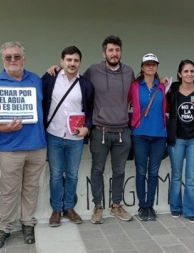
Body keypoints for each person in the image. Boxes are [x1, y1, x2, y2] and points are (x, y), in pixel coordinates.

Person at [0, 41, 47, 248]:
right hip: (10, 146)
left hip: (37, 145)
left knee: (31, 188)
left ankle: (28, 223)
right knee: (9, 190)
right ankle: (4, 227)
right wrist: (0, 128)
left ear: (23, 58)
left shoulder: (36, 79)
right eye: (8, 57)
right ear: (3, 60)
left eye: (16, 56)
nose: (13, 60)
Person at [42, 46, 94, 227]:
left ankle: (69, 208)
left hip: (75, 138)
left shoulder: (86, 84)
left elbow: (91, 110)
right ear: (62, 61)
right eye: (69, 60)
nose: (72, 64)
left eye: (76, 60)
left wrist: (87, 128)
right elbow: (40, 101)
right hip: (53, 135)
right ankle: (56, 210)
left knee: (72, 174)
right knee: (56, 175)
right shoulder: (50, 79)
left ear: (80, 62)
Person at [85, 35, 135, 224]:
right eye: (111, 50)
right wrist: (55, 70)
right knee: (97, 169)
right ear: (104, 52)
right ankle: (98, 206)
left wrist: (161, 80)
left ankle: (116, 205)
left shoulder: (129, 72)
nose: (114, 54)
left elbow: (141, 86)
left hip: (123, 131)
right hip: (100, 131)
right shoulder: (93, 71)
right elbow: (78, 85)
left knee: (119, 171)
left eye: (117, 50)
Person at [128, 53, 167, 221]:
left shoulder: (164, 86)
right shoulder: (135, 86)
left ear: (157, 67)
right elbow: (123, 101)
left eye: (154, 64)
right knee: (141, 171)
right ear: (142, 67)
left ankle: (150, 206)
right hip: (140, 134)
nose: (151, 67)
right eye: (147, 64)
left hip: (159, 135)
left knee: (153, 172)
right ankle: (142, 206)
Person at [166, 59, 194, 224]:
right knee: (176, 175)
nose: (190, 74)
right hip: (177, 140)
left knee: (190, 177)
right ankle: (175, 207)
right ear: (179, 74)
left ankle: (190, 210)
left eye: (192, 71)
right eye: (186, 71)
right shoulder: (172, 89)